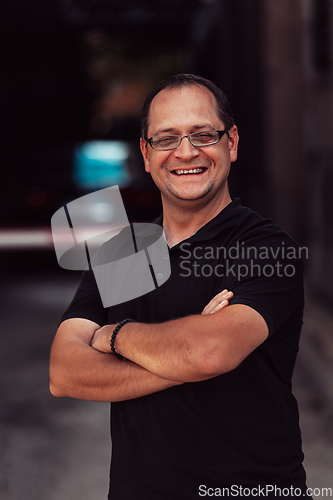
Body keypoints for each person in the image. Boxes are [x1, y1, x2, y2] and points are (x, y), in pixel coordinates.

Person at [50, 74, 309, 499]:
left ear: (232, 143)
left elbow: (208, 352)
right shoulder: (125, 253)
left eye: (203, 134)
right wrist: (180, 361)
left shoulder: (264, 248)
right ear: (146, 155)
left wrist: (113, 335)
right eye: (166, 138)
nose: (186, 152)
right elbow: (65, 373)